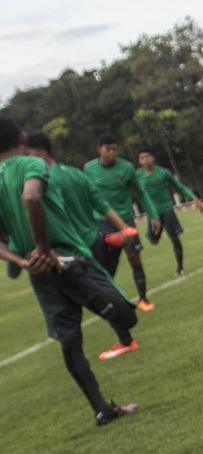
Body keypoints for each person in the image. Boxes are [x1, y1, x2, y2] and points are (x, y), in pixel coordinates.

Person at [0, 118, 139, 425]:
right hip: (66, 258)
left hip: (38, 272)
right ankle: (91, 294)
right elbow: (31, 196)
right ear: (22, 136)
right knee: (127, 316)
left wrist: (25, 261)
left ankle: (101, 408)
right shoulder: (29, 164)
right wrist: (44, 247)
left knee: (70, 342)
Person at [25, 131, 141, 360]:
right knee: (104, 289)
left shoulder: (43, 180)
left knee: (96, 296)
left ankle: (125, 335)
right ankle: (124, 335)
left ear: (39, 153)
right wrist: (123, 229)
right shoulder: (76, 173)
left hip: (75, 247)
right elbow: (101, 201)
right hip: (96, 238)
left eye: (26, 155)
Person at [82, 135, 161, 311]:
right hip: (101, 221)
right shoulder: (89, 168)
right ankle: (107, 299)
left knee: (134, 258)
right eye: (108, 149)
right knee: (106, 264)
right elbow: (85, 196)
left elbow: (140, 193)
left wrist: (153, 214)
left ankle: (143, 299)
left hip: (125, 220)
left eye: (115, 149)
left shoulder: (126, 168)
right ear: (99, 150)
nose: (112, 153)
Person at [136, 149, 203, 276]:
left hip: (167, 209)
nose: (145, 160)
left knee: (175, 238)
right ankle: (156, 231)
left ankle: (180, 268)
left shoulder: (163, 173)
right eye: (142, 158)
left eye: (148, 156)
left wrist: (194, 198)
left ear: (153, 158)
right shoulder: (138, 175)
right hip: (152, 214)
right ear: (139, 161)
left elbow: (179, 186)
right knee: (153, 241)